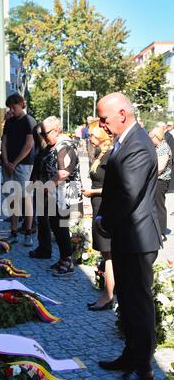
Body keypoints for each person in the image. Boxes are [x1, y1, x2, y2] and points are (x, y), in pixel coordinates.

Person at [95, 92, 161, 380]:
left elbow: (126, 193)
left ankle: (143, 367)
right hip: (128, 237)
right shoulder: (128, 139)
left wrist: (104, 221)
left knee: (138, 305)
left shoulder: (138, 145)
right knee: (129, 302)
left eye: (104, 118)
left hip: (136, 238)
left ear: (122, 114)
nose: (102, 125)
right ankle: (130, 355)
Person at [30, 116, 83, 276]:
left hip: (64, 193)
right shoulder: (54, 145)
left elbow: (63, 173)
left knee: (61, 226)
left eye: (45, 133)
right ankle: (63, 258)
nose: (43, 137)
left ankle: (68, 261)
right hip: (54, 194)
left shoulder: (65, 146)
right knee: (56, 225)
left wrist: (46, 187)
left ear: (57, 130)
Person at [82, 122, 115, 311]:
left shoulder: (110, 155)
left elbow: (112, 186)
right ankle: (108, 292)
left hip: (103, 205)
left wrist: (93, 192)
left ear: (102, 136)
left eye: (93, 136)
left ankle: (108, 295)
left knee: (108, 253)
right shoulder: (100, 154)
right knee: (105, 253)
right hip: (97, 205)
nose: (90, 138)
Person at [0, 93, 37, 246]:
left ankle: (28, 233)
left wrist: (14, 163)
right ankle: (13, 232)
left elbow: (29, 145)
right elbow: (4, 142)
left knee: (25, 198)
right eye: (9, 107)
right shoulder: (9, 122)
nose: (11, 110)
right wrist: (7, 161)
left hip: (24, 165)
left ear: (21, 104)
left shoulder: (29, 121)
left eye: (13, 107)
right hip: (8, 164)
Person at [149, 127, 172, 242]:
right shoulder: (158, 147)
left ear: (156, 137)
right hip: (156, 180)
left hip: (161, 181)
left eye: (151, 137)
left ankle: (162, 233)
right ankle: (156, 230)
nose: (150, 139)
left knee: (159, 206)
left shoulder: (164, 147)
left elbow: (160, 168)